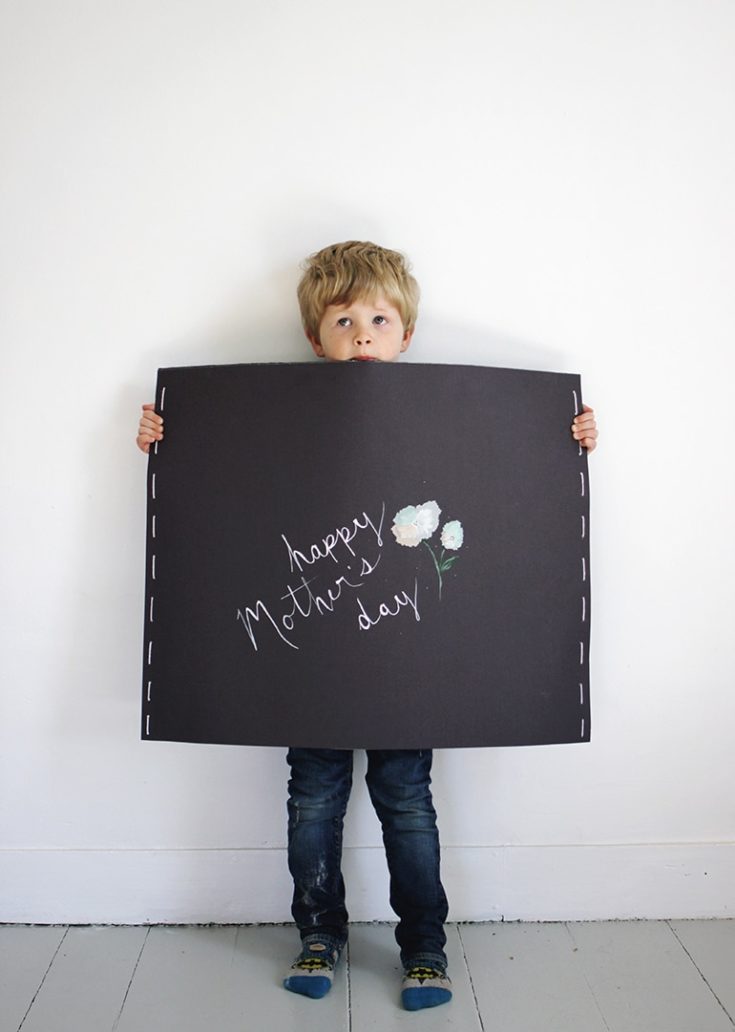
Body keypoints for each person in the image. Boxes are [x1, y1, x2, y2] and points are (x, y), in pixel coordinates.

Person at [136, 241, 598, 1010]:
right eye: (342, 319)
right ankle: (319, 933)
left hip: (401, 663)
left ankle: (424, 946)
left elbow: (503, 474)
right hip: (309, 658)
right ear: (315, 337)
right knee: (312, 796)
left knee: (405, 796)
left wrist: (564, 436)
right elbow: (222, 485)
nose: (360, 334)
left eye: (378, 319)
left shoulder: (445, 416)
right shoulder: (272, 423)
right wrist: (167, 436)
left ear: (405, 333)